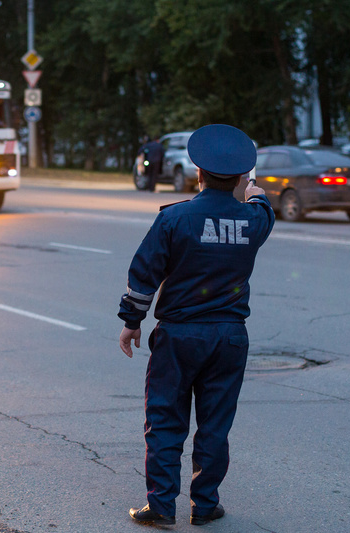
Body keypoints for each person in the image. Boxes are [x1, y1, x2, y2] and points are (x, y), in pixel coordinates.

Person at [118, 124, 275, 527]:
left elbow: (144, 274)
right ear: (242, 178)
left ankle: (162, 506)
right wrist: (253, 191)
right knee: (215, 424)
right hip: (229, 338)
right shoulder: (254, 221)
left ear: (198, 174)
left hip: (179, 336)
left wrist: (132, 321)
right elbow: (262, 207)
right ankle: (205, 505)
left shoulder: (176, 218)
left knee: (167, 420)